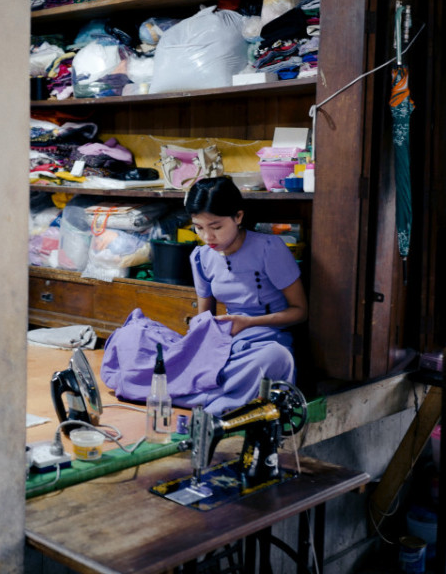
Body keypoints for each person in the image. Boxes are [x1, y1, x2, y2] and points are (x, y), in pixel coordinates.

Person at [100, 176, 307, 414]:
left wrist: (248, 322)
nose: (208, 237)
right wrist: (193, 348)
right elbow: (203, 319)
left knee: (274, 358)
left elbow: (300, 312)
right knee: (132, 335)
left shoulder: (269, 249)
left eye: (216, 227)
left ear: (238, 217)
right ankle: (205, 388)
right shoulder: (201, 257)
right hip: (226, 339)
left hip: (263, 342)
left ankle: (201, 392)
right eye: (199, 227)